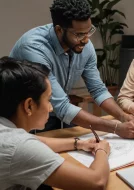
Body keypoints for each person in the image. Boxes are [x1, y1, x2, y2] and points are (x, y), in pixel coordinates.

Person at [9, 0, 134, 138]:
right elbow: (61, 105)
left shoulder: (85, 47)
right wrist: (117, 128)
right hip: (26, 118)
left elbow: (98, 90)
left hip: (58, 110)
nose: (86, 40)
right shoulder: (33, 48)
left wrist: (124, 117)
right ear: (59, 30)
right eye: (79, 34)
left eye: (89, 32)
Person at [0, 57, 110, 190]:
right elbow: (96, 182)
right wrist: (102, 151)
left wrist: (79, 143)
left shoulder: (6, 131)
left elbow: (36, 141)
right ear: (29, 106)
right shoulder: (17, 146)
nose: (51, 108)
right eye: (49, 100)